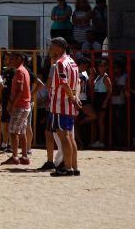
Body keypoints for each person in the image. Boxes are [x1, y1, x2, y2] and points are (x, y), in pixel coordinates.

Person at [47, 37, 82, 177]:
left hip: (60, 104)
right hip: (68, 103)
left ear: (60, 48)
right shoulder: (72, 62)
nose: (50, 48)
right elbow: (77, 82)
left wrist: (72, 97)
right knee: (69, 136)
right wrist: (75, 97)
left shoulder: (60, 63)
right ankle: (74, 166)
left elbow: (64, 83)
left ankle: (67, 168)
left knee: (64, 136)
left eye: (52, 46)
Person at [1, 52, 31, 165]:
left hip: (19, 105)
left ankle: (15, 156)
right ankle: (24, 156)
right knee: (22, 132)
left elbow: (19, 89)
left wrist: (12, 105)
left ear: (19, 59)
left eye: (13, 59)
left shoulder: (19, 71)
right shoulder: (24, 70)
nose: (11, 61)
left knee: (13, 132)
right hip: (25, 105)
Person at [90, 58, 112, 148]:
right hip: (97, 97)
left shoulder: (106, 77)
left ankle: (101, 141)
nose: (100, 68)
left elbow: (110, 91)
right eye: (99, 66)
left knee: (100, 121)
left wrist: (105, 102)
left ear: (106, 67)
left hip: (102, 98)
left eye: (103, 66)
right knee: (95, 121)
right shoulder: (98, 76)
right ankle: (95, 140)